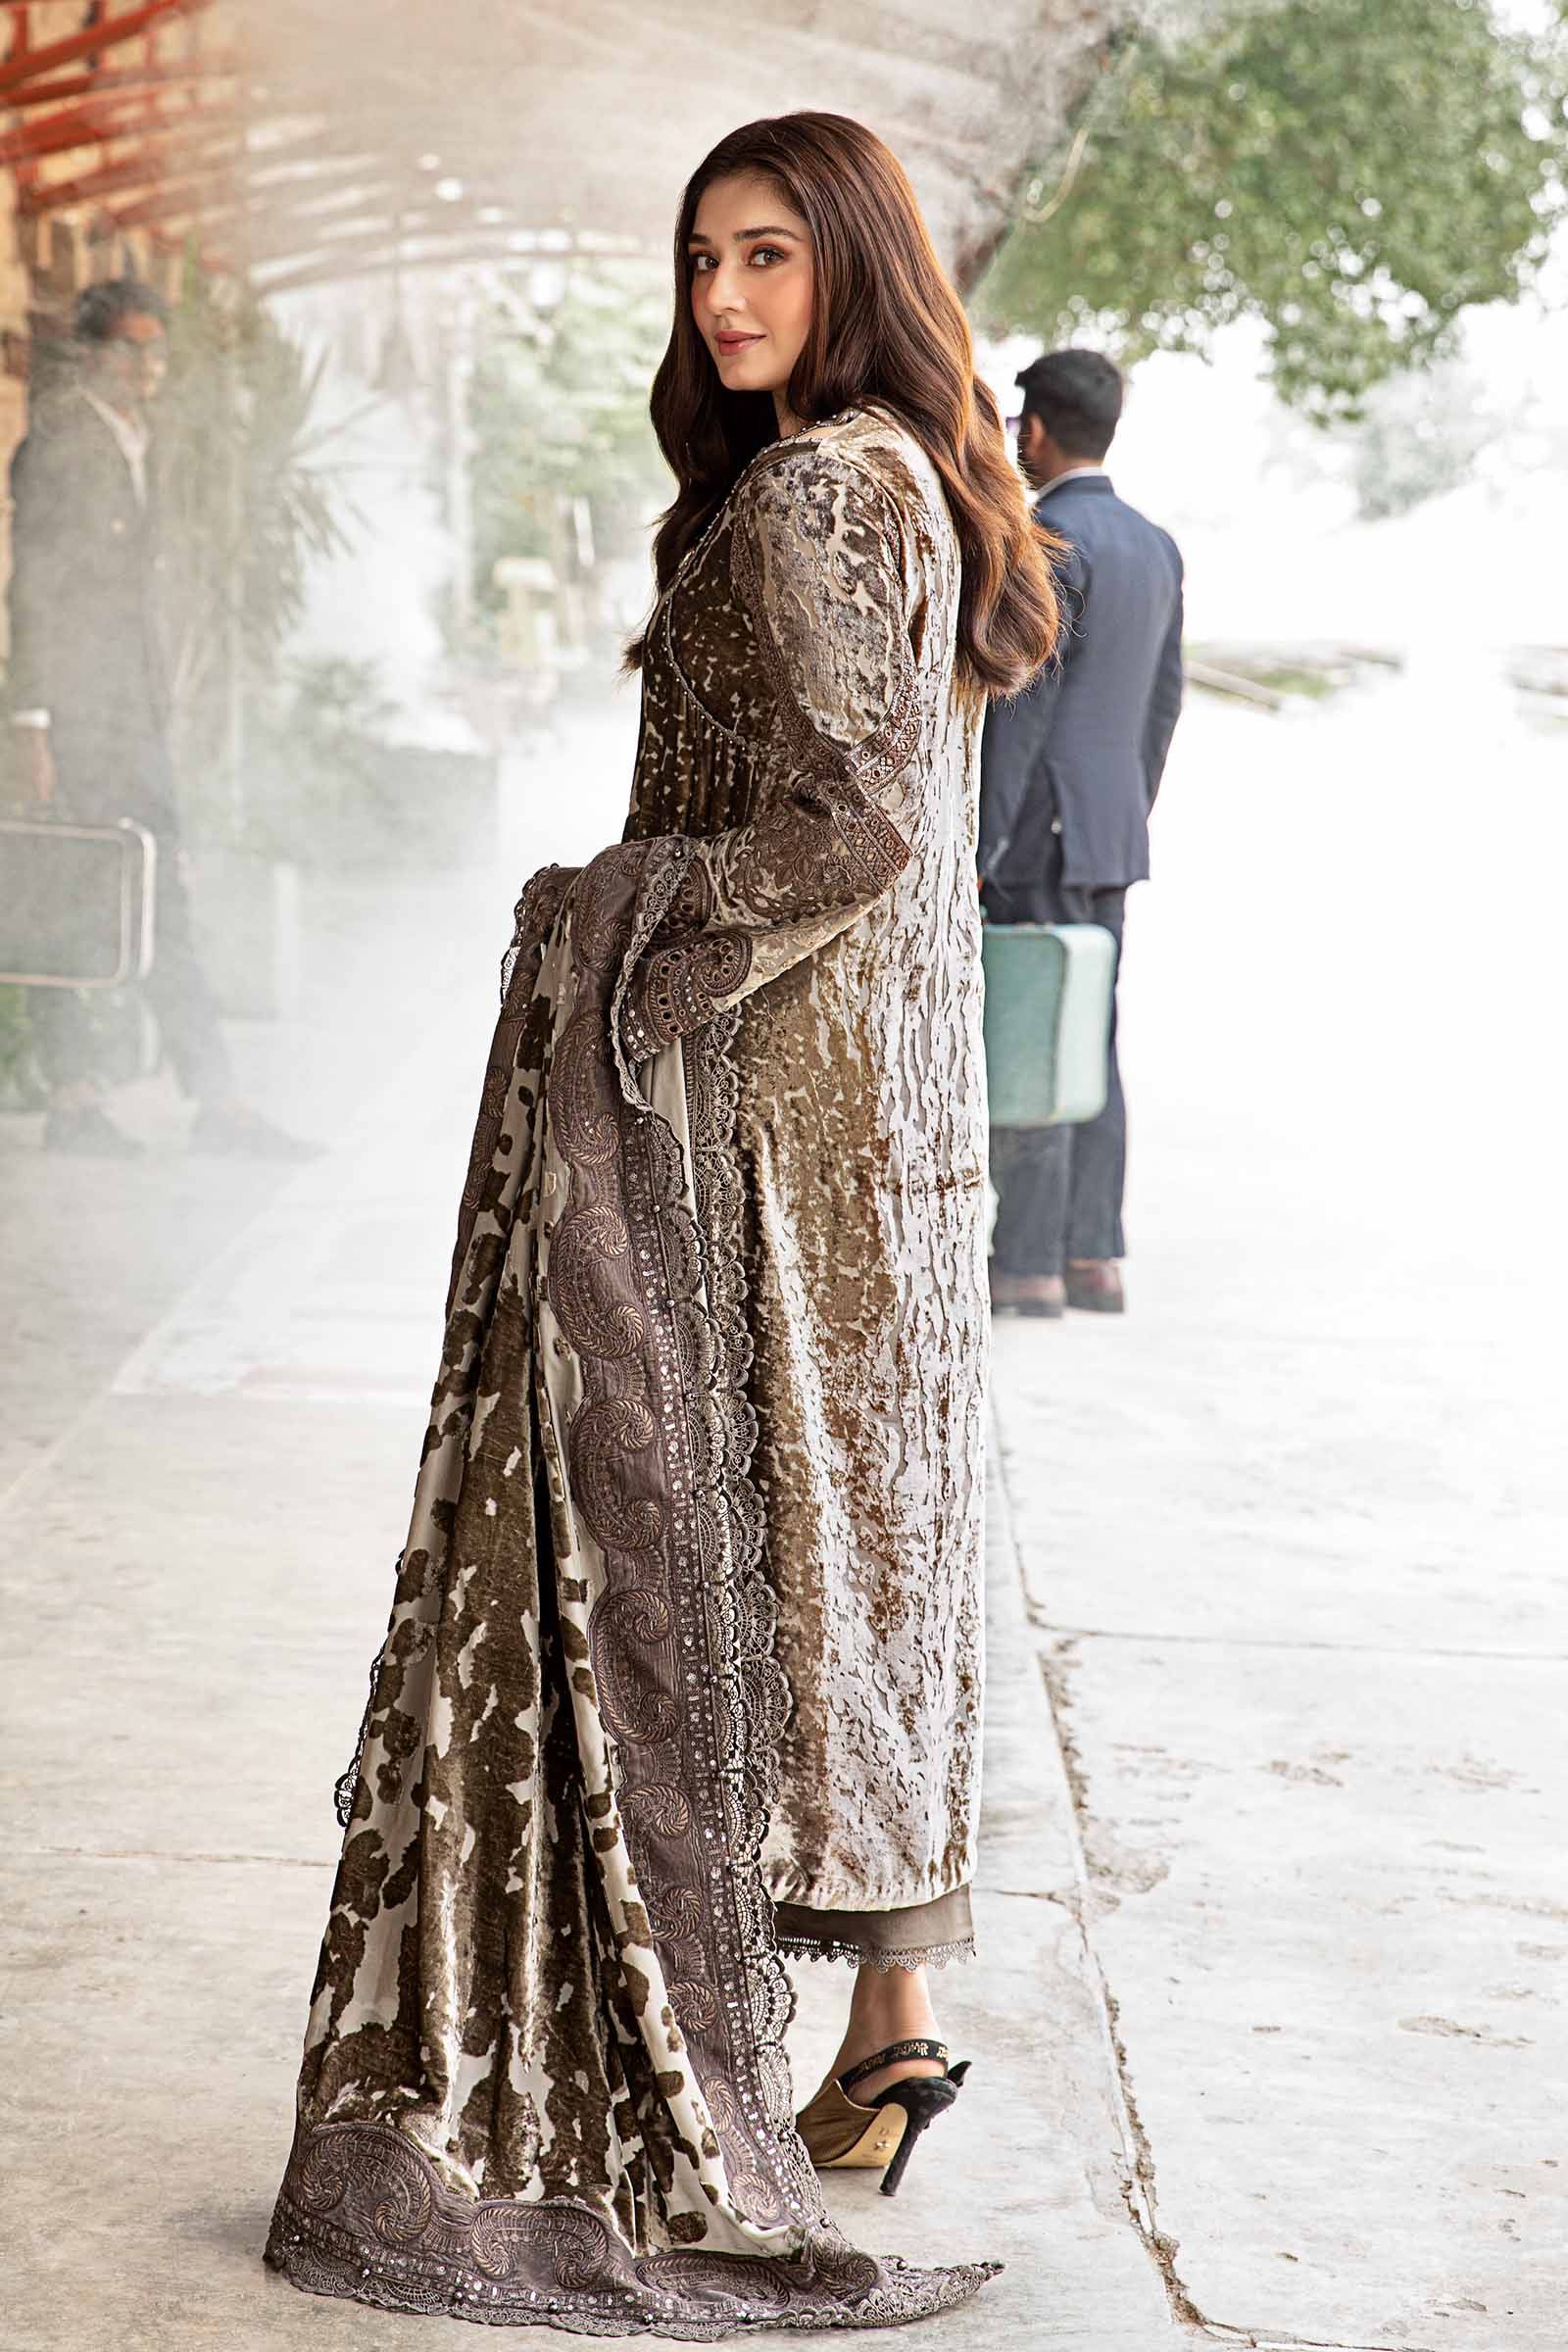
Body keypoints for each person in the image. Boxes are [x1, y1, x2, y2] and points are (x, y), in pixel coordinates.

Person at [263, 113, 1058, 2336]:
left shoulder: (814, 493)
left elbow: (849, 826)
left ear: (856, 265)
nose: (721, 296)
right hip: (880, 1127)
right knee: (850, 1554)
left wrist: (613, 943)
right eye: (703, 256)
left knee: (703, 1573)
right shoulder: (903, 473)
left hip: (755, 1115)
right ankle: (888, 2026)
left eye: (770, 255)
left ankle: (716, 2050)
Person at [6, 275, 314, 1160]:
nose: (149, 364)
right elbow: (36, 586)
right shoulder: (61, 443)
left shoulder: (136, 441)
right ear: (90, 353)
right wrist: (32, 723)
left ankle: (202, 1098)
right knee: (79, 889)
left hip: (128, 714)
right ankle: (112, 1100)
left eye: (157, 348)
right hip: (75, 717)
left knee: (148, 892)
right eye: (131, 347)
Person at [978, 349, 1184, 1317]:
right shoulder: (1154, 545)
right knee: (1089, 1035)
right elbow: (1161, 706)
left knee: (1033, 1032)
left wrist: (983, 849)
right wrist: (1122, 812)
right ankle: (1093, 1255)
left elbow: (1021, 713)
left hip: (1038, 837)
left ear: (1033, 430)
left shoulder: (1050, 541)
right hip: (1105, 837)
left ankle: (1027, 1264)